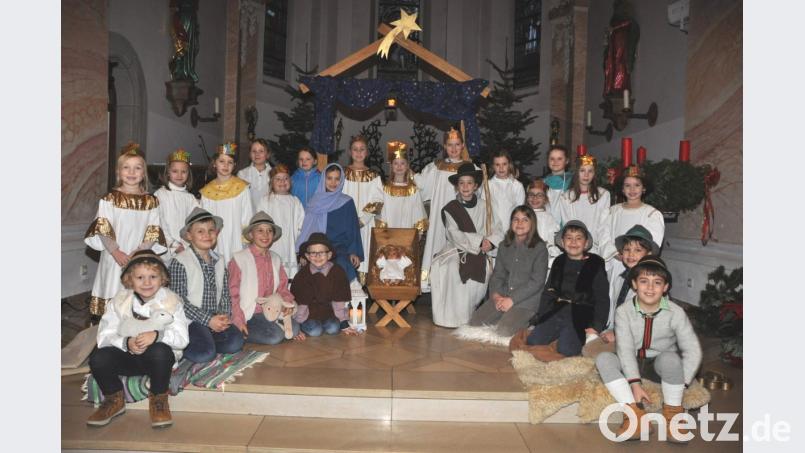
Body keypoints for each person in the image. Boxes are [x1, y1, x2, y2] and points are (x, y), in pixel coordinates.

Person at [594, 256, 702, 443]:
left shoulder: (675, 312)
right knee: (603, 359)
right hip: (632, 361)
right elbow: (625, 349)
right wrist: (635, 385)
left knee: (671, 359)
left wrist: (683, 382)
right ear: (634, 284)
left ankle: (673, 414)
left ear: (666, 287)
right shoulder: (624, 311)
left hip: (659, 365)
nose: (650, 288)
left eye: (657, 282)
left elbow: (693, 349)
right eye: (644, 281)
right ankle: (635, 416)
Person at [87, 250, 190, 428]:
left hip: (157, 362)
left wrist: (158, 336)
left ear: (163, 279)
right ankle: (114, 398)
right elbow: (104, 336)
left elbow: (182, 339)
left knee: (161, 351)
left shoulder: (172, 302)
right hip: (127, 358)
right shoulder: (118, 301)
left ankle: (159, 399)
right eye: (140, 277)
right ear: (129, 279)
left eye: (153, 276)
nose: (147, 282)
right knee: (98, 357)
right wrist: (126, 343)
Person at [84, 143, 167, 318]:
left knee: (136, 289)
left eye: (137, 168)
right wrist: (115, 251)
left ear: (143, 173)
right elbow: (103, 226)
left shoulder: (151, 201)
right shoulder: (110, 199)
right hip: (115, 256)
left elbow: (153, 229)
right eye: (126, 168)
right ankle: (109, 330)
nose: (131, 172)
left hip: (138, 254)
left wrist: (139, 252)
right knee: (113, 287)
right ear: (118, 172)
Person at [430, 163, 504, 328]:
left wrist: (490, 242)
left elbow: (498, 229)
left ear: (476, 185)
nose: (465, 186)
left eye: (469, 183)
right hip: (456, 249)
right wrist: (479, 241)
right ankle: (447, 318)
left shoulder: (487, 206)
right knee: (448, 268)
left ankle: (465, 316)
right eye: (461, 183)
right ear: (457, 186)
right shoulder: (450, 208)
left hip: (481, 250)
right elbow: (453, 234)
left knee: (480, 270)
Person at [524, 220, 609, 359]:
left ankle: (567, 336)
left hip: (581, 313)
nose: (573, 242)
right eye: (569, 238)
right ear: (563, 243)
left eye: (578, 238)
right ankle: (554, 330)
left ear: (586, 243)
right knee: (533, 341)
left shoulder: (595, 263)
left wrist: (596, 326)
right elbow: (548, 291)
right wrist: (540, 316)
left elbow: (602, 298)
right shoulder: (559, 261)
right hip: (557, 308)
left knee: (566, 349)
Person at [169, 208, 244, 363]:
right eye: (200, 231)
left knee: (236, 342)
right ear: (189, 236)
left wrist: (223, 316)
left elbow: (224, 293)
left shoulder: (220, 260)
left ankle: (206, 341)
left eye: (211, 230)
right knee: (205, 354)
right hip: (191, 320)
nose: (207, 235)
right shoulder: (180, 261)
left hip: (214, 316)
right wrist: (208, 320)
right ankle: (183, 344)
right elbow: (178, 302)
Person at [467, 206, 548, 337]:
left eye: (525, 220)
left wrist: (512, 300)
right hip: (503, 296)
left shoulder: (540, 248)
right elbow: (498, 275)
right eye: (516, 219)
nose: (519, 223)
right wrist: (496, 296)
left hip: (526, 301)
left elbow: (536, 282)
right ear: (511, 223)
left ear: (532, 223)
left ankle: (527, 321)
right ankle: (505, 316)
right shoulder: (504, 246)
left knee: (503, 331)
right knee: (474, 323)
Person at [582, 224, 659, 358]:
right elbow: (615, 310)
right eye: (627, 250)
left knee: (592, 353)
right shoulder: (620, 278)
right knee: (587, 347)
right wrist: (606, 329)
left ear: (649, 254)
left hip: (642, 337)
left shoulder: (651, 283)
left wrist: (617, 334)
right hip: (619, 331)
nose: (631, 254)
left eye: (638, 250)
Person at [416, 127, 476, 291]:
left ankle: (459, 286)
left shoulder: (471, 169)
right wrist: (405, 173)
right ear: (444, 146)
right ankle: (433, 283)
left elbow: (479, 193)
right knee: (437, 244)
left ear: (463, 146)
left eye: (457, 144)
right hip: (439, 219)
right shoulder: (436, 167)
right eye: (450, 145)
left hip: (462, 219)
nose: (454, 149)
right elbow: (420, 186)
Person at [228, 212, 299, 345]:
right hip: (250, 313)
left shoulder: (276, 258)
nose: (265, 235)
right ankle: (240, 330)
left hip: (272, 309)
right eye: (260, 230)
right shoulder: (239, 259)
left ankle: (273, 328)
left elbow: (282, 288)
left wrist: (287, 304)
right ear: (251, 235)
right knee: (274, 337)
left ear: (273, 235)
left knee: (295, 329)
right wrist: (239, 319)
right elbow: (232, 293)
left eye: (269, 231)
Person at [297, 163, 364, 286]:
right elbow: (307, 231)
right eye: (329, 178)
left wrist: (353, 252)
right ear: (323, 179)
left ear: (342, 180)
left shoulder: (347, 202)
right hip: (317, 248)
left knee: (342, 265)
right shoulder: (314, 202)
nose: (333, 182)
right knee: (311, 268)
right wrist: (303, 253)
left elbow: (353, 230)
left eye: (337, 179)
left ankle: (339, 303)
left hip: (340, 249)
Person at [603, 165, 665, 279]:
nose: (632, 190)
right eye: (627, 185)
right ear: (622, 189)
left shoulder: (652, 214)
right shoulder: (612, 212)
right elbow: (603, 236)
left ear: (643, 188)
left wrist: (635, 257)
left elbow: (653, 244)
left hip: (640, 267)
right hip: (615, 264)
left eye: (637, 185)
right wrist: (615, 254)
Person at [291, 233, 355, 338]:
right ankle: (307, 325)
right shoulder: (303, 275)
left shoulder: (337, 272)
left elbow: (339, 300)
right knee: (315, 331)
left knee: (333, 328)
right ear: (307, 256)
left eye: (322, 252)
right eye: (313, 253)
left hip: (329, 312)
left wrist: (343, 323)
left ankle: (327, 324)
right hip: (308, 314)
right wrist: (297, 323)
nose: (317, 256)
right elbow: (301, 303)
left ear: (329, 255)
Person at [200, 142, 254, 264]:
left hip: (236, 239)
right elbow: (204, 220)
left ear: (234, 165)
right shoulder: (207, 191)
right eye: (222, 161)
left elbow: (247, 216)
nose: (226, 165)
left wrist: (246, 240)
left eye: (230, 162)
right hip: (215, 240)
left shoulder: (242, 188)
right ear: (214, 163)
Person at [342, 135, 384, 281]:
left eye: (362, 149)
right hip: (346, 224)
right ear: (349, 152)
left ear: (367, 152)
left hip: (365, 224)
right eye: (355, 149)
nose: (358, 153)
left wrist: (363, 220)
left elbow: (378, 200)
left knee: (366, 253)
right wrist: (348, 220)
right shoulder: (343, 174)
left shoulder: (374, 176)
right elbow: (338, 197)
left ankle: (364, 293)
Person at [556, 154, 613, 258]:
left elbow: (604, 224)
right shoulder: (566, 197)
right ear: (576, 172)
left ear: (594, 173)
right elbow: (568, 224)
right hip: (575, 246)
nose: (586, 175)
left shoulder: (603, 195)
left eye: (590, 171)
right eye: (582, 170)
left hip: (596, 248)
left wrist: (602, 247)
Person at [256, 164, 305, 278]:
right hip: (270, 244)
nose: (282, 181)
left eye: (286, 178)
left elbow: (301, 225)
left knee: (288, 275)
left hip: (290, 246)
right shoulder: (265, 201)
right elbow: (259, 224)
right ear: (272, 182)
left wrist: (298, 244)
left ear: (290, 181)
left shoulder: (295, 201)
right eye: (278, 179)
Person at [154, 148, 200, 262]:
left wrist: (186, 243)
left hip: (186, 248)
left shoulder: (191, 198)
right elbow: (158, 222)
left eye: (183, 171)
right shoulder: (160, 194)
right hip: (165, 249)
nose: (179, 175)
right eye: (175, 171)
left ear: (188, 174)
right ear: (168, 173)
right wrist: (173, 244)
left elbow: (195, 222)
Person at [376, 140, 428, 235]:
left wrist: (418, 233)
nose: (399, 166)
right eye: (396, 163)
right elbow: (383, 214)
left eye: (402, 163)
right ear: (391, 166)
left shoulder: (413, 190)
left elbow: (417, 211)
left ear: (407, 166)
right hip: (390, 235)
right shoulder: (386, 189)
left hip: (408, 235)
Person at [487, 150, 525, 237]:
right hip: (493, 230)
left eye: (504, 164)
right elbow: (484, 208)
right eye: (497, 165)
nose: (501, 168)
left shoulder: (517, 186)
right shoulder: (488, 185)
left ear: (509, 165)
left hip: (511, 229)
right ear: (493, 166)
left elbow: (519, 210)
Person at [525, 179, 561, 268]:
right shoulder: (521, 216)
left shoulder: (550, 219)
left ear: (545, 199)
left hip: (542, 259)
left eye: (539, 195)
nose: (535, 198)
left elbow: (553, 242)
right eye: (531, 195)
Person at [237, 138, 273, 212]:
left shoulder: (274, 174)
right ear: (250, 154)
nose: (257, 154)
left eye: (261, 151)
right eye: (254, 151)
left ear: (267, 154)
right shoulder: (242, 174)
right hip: (249, 216)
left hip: (269, 215)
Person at [543, 145, 573, 221]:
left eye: (559, 159)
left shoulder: (572, 181)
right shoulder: (543, 182)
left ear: (566, 161)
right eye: (552, 159)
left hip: (566, 221)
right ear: (547, 161)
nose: (555, 162)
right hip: (547, 222)